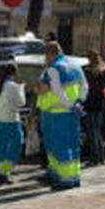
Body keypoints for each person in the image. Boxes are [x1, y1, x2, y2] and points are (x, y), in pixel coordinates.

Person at [36, 41, 86, 189]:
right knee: (72, 144)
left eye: (45, 55)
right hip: (72, 113)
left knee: (57, 145)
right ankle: (73, 176)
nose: (45, 58)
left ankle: (64, 179)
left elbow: (58, 91)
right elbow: (85, 86)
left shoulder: (54, 69)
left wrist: (70, 105)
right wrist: (78, 102)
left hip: (56, 113)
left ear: (50, 54)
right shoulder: (75, 66)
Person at [0, 63, 26, 184]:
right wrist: (21, 89)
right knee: (16, 144)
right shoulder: (13, 86)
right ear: (14, 74)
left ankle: (2, 172)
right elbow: (21, 103)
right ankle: (3, 171)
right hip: (11, 119)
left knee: (2, 147)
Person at [82, 50, 105, 167]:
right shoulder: (103, 70)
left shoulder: (88, 72)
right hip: (100, 103)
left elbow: (86, 88)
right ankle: (101, 157)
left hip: (90, 104)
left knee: (92, 132)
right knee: (98, 132)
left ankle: (94, 158)